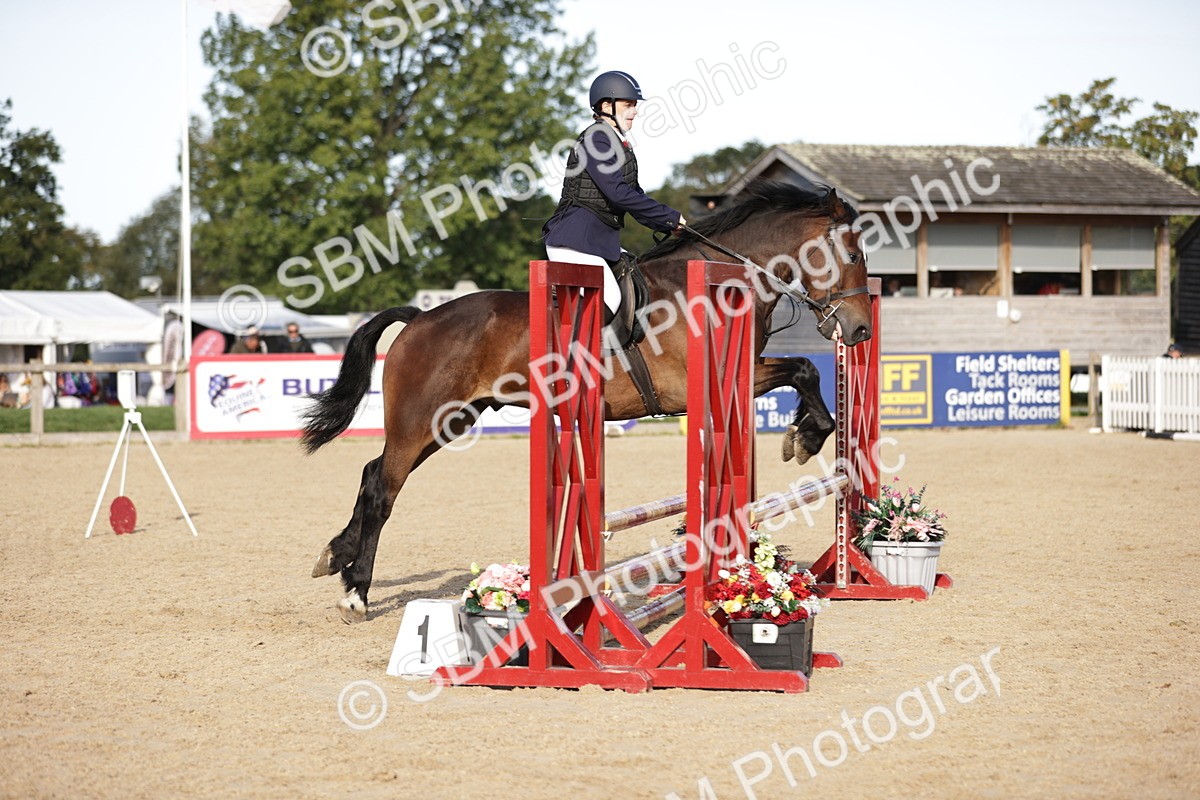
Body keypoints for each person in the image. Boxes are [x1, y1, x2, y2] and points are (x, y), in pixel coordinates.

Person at [542, 70, 685, 319]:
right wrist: (670, 217)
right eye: (629, 105)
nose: (635, 111)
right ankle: (577, 356)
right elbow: (618, 194)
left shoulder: (615, 142)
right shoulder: (597, 139)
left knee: (640, 285)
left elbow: (633, 194)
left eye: (635, 105)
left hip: (597, 243)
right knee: (612, 299)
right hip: (575, 242)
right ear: (607, 106)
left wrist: (667, 223)